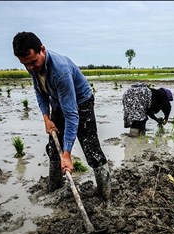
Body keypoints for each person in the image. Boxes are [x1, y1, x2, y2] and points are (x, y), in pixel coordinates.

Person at [12, 31, 111, 201]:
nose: (30, 68)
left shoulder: (60, 71)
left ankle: (106, 194)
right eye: (25, 64)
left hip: (81, 102)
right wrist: (46, 118)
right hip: (57, 101)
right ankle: (54, 187)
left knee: (91, 148)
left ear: (42, 49)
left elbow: (72, 115)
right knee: (53, 147)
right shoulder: (32, 66)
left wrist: (67, 155)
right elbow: (40, 92)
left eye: (33, 62)